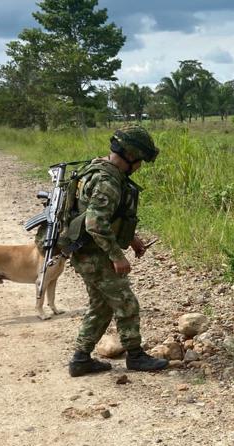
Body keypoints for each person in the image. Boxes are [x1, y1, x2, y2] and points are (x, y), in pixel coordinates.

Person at [64, 126, 168, 376]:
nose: (141, 165)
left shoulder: (97, 169)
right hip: (95, 254)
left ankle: (81, 359)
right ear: (131, 156)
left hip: (83, 251)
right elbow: (95, 223)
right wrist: (116, 256)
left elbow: (107, 217)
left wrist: (131, 239)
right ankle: (136, 356)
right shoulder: (108, 181)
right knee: (126, 303)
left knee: (101, 305)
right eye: (140, 160)